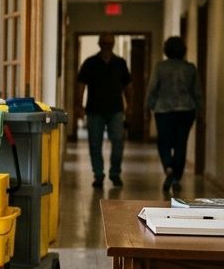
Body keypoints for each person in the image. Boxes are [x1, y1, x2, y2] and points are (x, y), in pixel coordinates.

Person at [145, 35, 202, 192]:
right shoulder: (190, 68)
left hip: (163, 110)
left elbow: (152, 88)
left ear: (166, 50)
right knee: (180, 143)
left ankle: (168, 167)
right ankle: (177, 176)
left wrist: (148, 107)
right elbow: (197, 92)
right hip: (186, 110)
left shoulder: (160, 67)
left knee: (163, 141)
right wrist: (200, 111)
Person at [75, 35, 132, 188]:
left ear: (113, 44)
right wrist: (79, 106)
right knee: (94, 143)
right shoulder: (90, 63)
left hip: (116, 109)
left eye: (110, 42)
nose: (107, 45)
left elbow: (127, 86)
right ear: (99, 43)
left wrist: (130, 105)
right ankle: (98, 174)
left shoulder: (120, 63)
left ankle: (115, 173)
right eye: (105, 42)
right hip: (94, 109)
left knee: (118, 142)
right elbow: (81, 85)